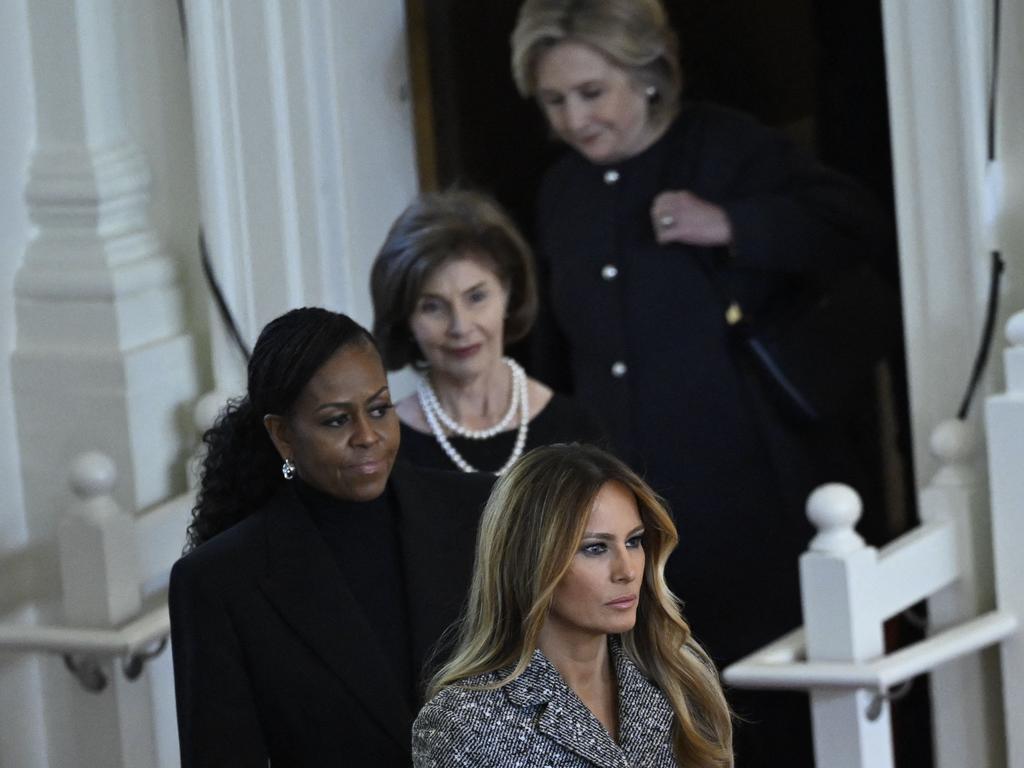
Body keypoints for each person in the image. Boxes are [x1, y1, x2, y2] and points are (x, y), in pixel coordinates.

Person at [510, 0, 887, 763]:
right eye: (554, 101)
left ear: (647, 77)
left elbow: (857, 225)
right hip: (624, 518)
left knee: (773, 706)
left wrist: (732, 223)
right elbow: (553, 354)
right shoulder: (560, 195)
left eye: (592, 93)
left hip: (752, 492)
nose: (575, 120)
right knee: (666, 708)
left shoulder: (722, 145)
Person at [169, 307, 493, 767]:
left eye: (379, 409)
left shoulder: (480, 511)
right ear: (283, 435)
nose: (368, 437)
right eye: (336, 421)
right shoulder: (220, 582)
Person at [412, 443, 733, 767]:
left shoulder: (679, 682)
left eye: (634, 541)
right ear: (530, 561)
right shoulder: (463, 723)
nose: (628, 570)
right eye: (595, 548)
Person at [371, 189, 604, 475]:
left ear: (508, 292)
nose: (460, 326)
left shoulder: (575, 430)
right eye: (432, 307)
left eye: (476, 297)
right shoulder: (384, 446)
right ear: (405, 317)